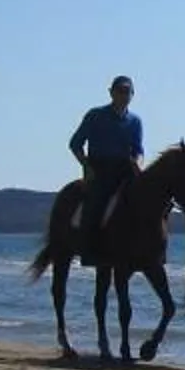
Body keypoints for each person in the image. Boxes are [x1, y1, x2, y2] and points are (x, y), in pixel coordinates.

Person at [68, 76, 145, 252]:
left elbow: (139, 149)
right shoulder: (95, 115)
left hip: (125, 169)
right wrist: (86, 166)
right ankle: (90, 247)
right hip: (99, 168)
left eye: (127, 92)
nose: (123, 95)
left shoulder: (135, 121)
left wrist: (138, 164)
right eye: (120, 91)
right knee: (96, 202)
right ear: (111, 92)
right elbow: (75, 144)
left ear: (133, 94)